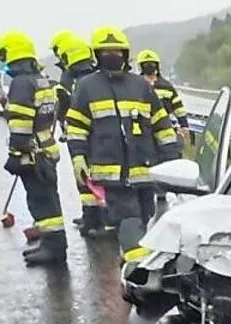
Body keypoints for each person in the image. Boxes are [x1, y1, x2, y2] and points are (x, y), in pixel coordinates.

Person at [65, 26, 179, 270]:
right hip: (111, 172)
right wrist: (78, 158)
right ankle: (138, 270)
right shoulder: (86, 87)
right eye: (106, 52)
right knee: (128, 219)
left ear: (126, 54)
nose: (112, 55)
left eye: (117, 51)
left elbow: (161, 124)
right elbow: (76, 127)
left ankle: (131, 254)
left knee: (145, 216)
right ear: (97, 55)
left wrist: (173, 158)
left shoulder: (141, 86)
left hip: (145, 170)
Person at [0, 31, 66, 265]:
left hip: (32, 154)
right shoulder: (40, 78)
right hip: (45, 149)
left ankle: (54, 250)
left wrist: (15, 153)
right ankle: (52, 243)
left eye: (2, 54)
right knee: (48, 199)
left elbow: (22, 123)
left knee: (41, 200)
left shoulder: (22, 83)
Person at [55, 36, 103, 235]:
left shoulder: (68, 79)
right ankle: (97, 217)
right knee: (100, 175)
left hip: (81, 135)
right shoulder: (98, 74)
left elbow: (64, 108)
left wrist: (63, 124)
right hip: (101, 134)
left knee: (84, 176)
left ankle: (93, 220)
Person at [136, 49, 189, 209]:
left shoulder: (166, 86)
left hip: (164, 129)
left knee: (167, 159)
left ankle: (165, 192)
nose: (149, 67)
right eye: (146, 65)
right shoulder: (136, 85)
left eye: (151, 64)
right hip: (143, 131)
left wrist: (184, 126)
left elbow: (178, 107)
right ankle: (148, 192)